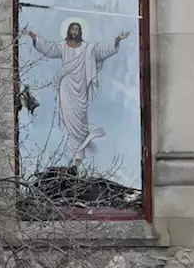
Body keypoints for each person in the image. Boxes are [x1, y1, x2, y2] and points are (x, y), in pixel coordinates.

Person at [25, 19, 129, 168]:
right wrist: (33, 36)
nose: (74, 32)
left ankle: (79, 151)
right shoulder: (62, 47)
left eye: (77, 29)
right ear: (68, 31)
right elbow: (49, 49)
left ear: (80, 32)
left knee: (80, 118)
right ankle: (76, 153)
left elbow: (101, 51)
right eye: (72, 29)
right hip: (66, 87)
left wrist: (117, 39)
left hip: (81, 88)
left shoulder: (88, 49)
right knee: (68, 118)